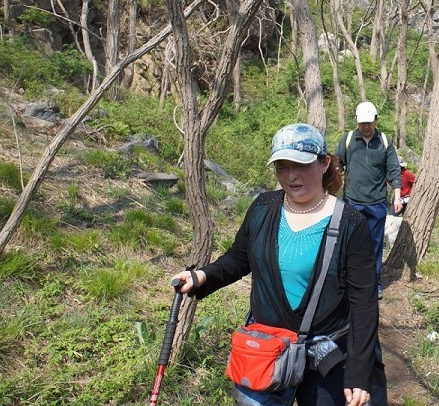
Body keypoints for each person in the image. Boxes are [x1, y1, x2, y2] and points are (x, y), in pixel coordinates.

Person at [171, 123, 381, 406]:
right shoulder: (263, 208)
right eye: (282, 167)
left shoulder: (350, 224)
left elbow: (364, 303)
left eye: (301, 165)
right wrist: (204, 276)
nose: (291, 176)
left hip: (327, 357)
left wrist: (358, 372)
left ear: (324, 164)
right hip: (265, 350)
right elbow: (239, 257)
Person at [335, 101, 402, 300]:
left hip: (377, 202)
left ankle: (374, 283)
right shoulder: (347, 140)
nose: (365, 126)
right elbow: (338, 166)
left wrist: (397, 197)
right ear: (357, 121)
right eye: (362, 123)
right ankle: (346, 281)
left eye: (369, 123)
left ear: (376, 120)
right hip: (352, 201)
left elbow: (394, 171)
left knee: (374, 245)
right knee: (347, 242)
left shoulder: (384, 141)